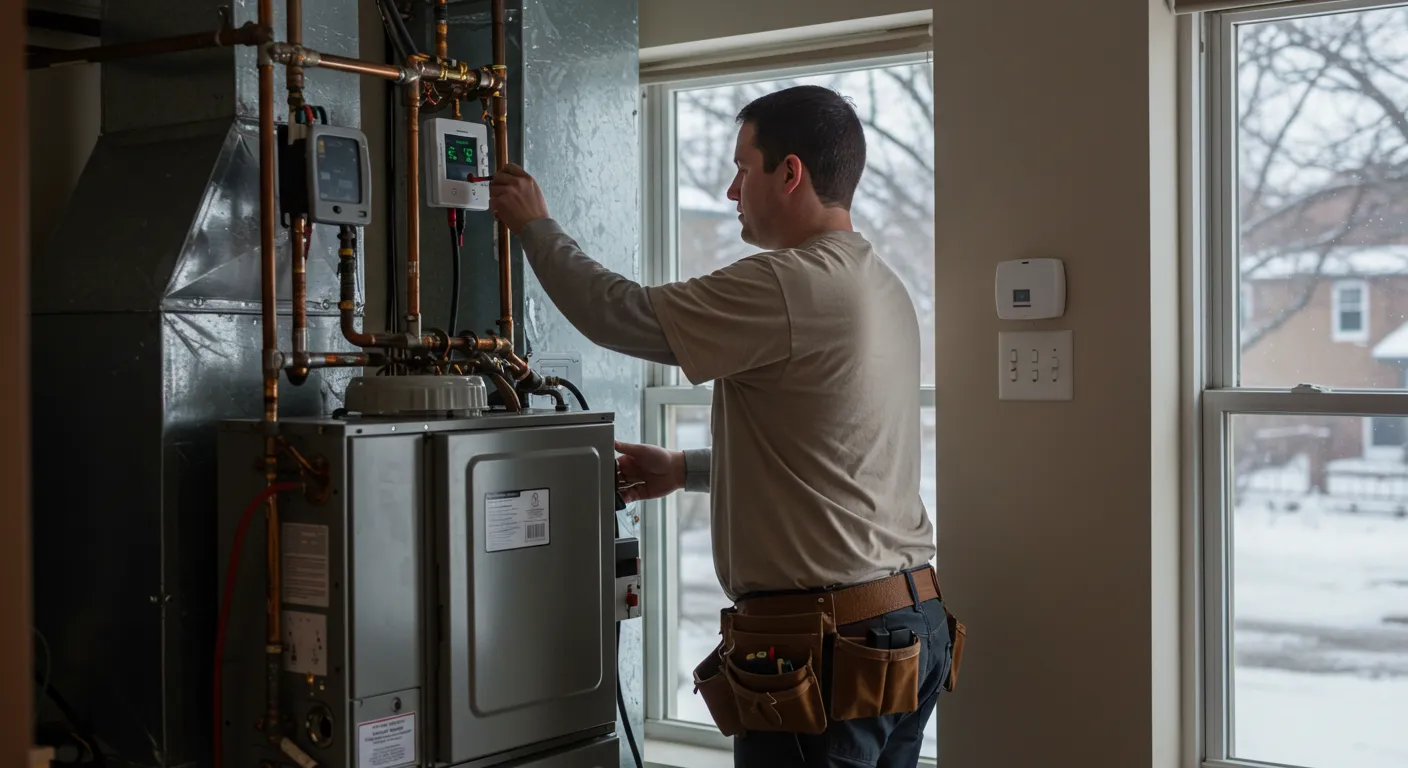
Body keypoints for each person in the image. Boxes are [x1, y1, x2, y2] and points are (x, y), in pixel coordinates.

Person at [490, 84, 959, 768]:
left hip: (829, 646)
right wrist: (684, 470)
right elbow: (833, 458)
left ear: (789, 173)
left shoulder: (789, 283)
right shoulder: (880, 285)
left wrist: (534, 224)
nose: (732, 190)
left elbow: (618, 313)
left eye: (743, 169)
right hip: (907, 627)